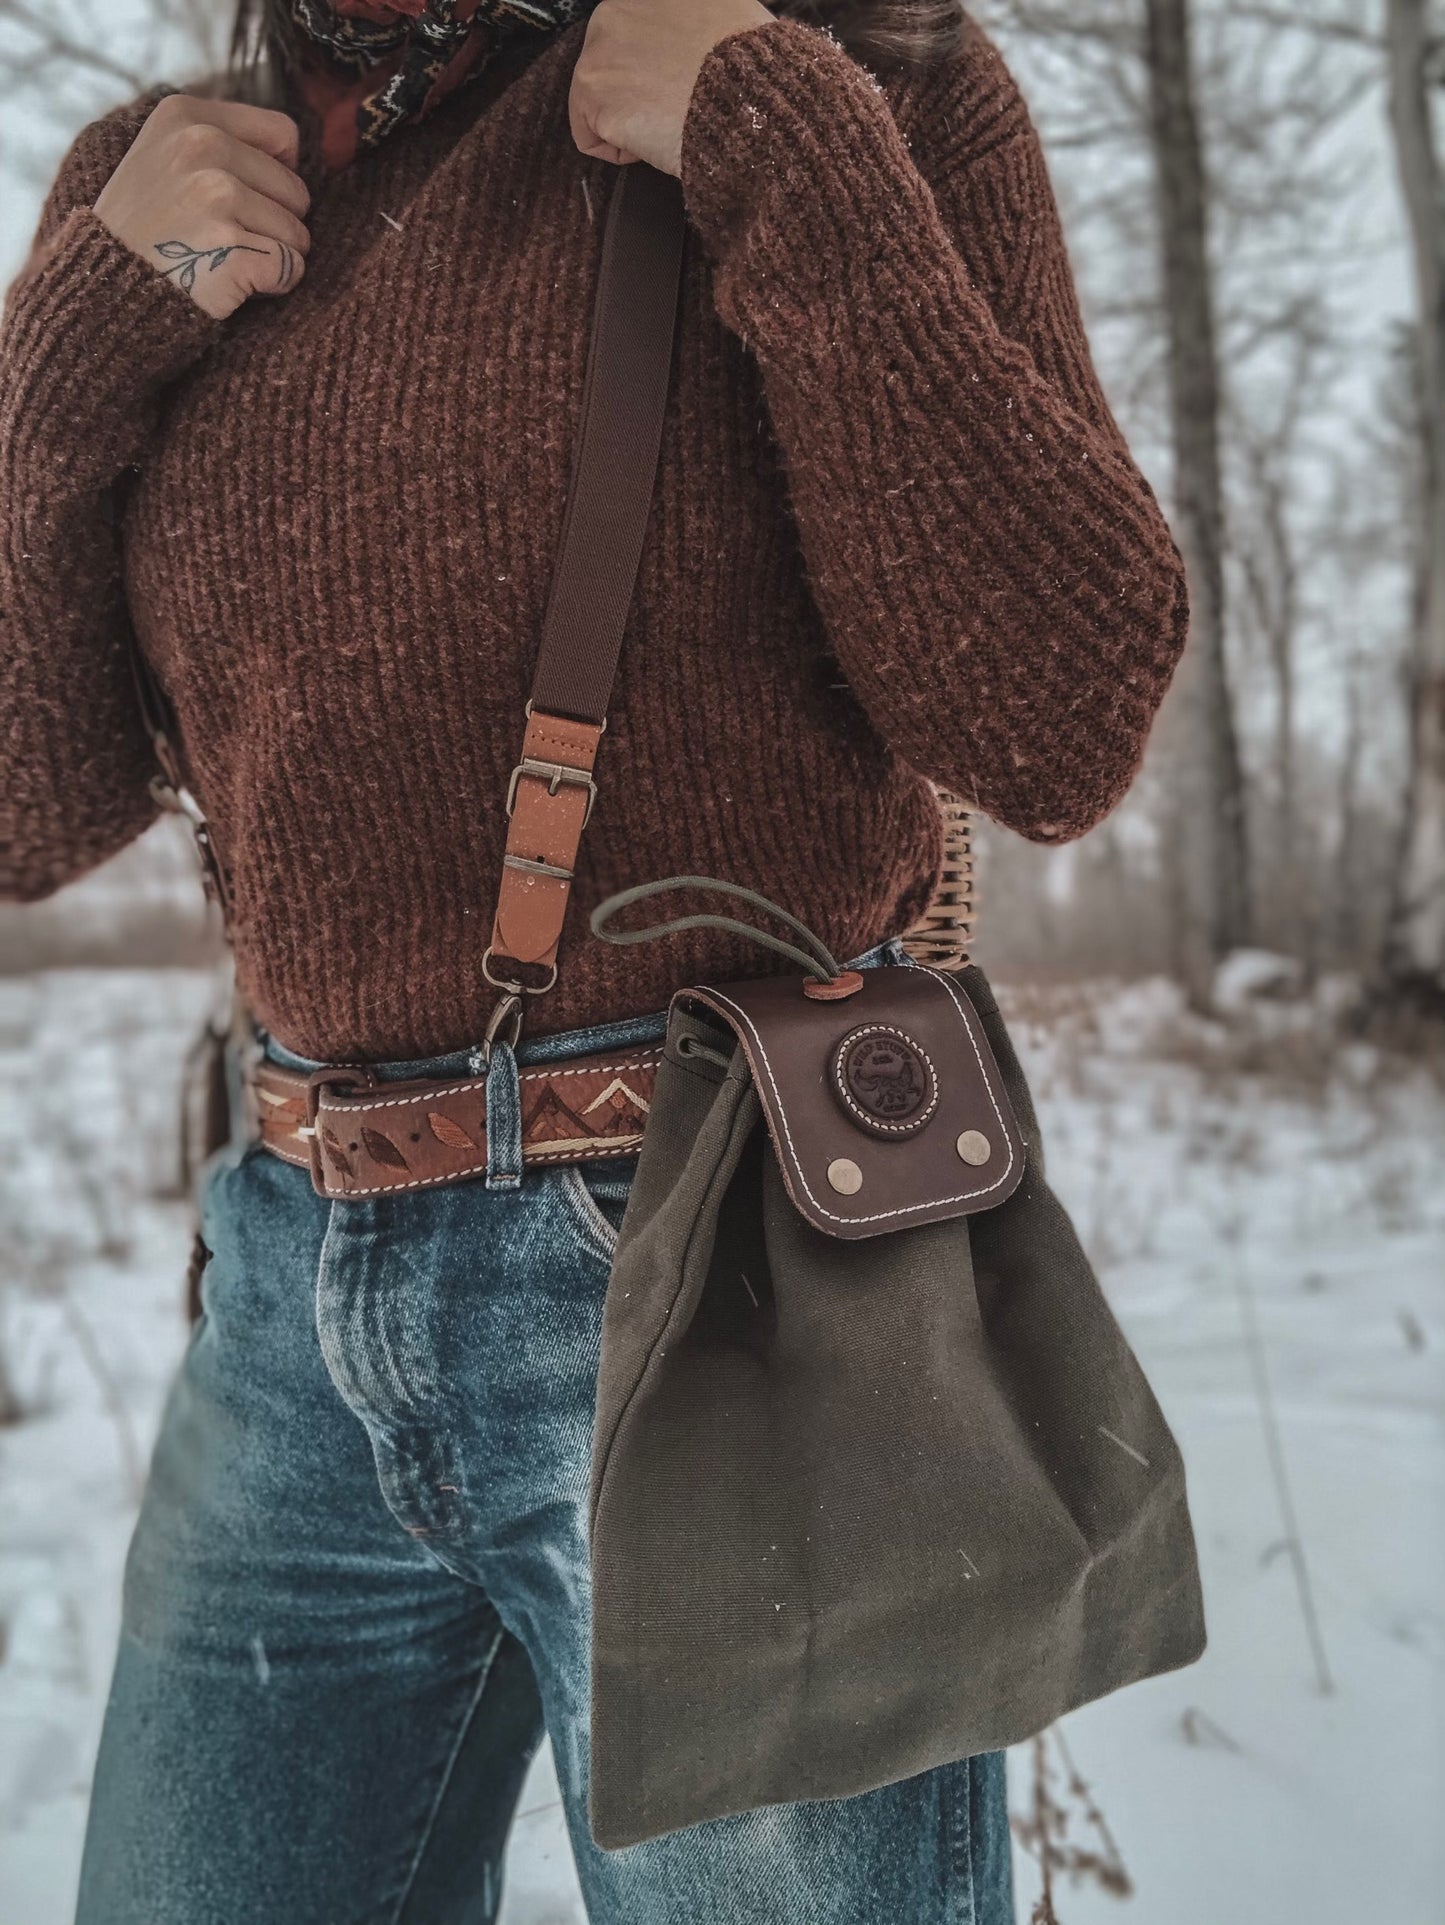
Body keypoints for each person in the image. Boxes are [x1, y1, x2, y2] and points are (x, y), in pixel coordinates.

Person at [0, 0, 1189, 1917]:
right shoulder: (167, 175)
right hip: (301, 1284)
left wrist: (774, 141)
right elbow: (26, 807)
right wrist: (66, 358)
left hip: (727, 1260)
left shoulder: (857, 71)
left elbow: (1060, 711)